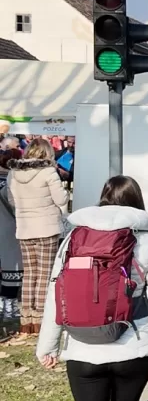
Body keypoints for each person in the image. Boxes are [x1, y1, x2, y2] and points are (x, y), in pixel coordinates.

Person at [35, 176, 148, 401]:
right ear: (136, 202)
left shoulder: (74, 239)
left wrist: (47, 347)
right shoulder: (146, 241)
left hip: (82, 349)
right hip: (132, 349)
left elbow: (57, 295)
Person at [6, 138, 70, 334]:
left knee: (29, 274)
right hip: (47, 227)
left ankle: (26, 320)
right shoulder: (49, 172)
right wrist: (65, 192)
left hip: (25, 228)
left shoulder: (13, 173)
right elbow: (60, 199)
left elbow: (11, 200)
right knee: (44, 274)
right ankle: (40, 318)